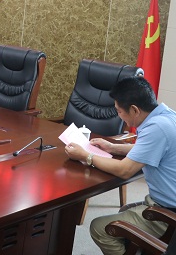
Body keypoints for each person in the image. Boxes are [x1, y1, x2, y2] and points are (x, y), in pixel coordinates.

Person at [65, 77, 176, 255]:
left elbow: (125, 170)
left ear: (134, 110)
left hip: (168, 212)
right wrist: (113, 147)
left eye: (119, 111)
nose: (119, 116)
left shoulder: (157, 128)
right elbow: (148, 149)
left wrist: (86, 156)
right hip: (166, 202)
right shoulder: (166, 116)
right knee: (125, 210)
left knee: (100, 227)